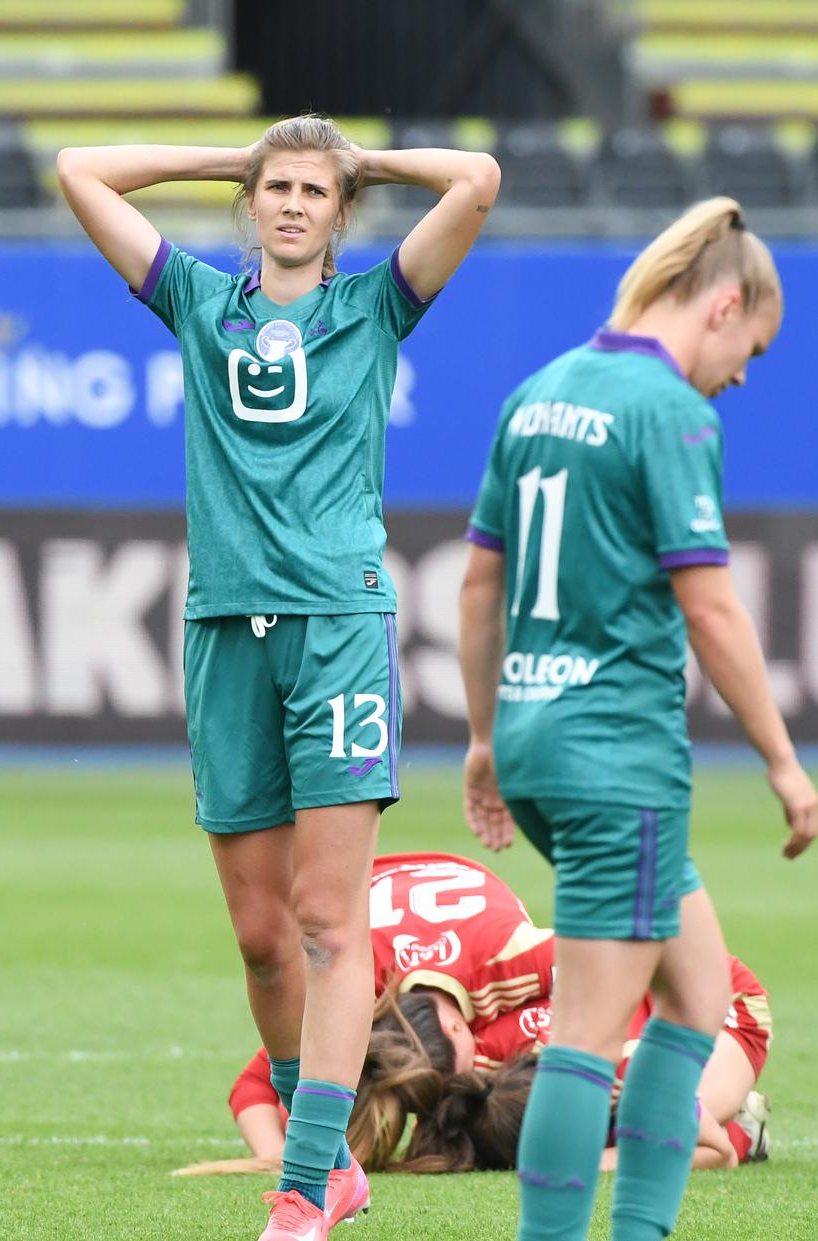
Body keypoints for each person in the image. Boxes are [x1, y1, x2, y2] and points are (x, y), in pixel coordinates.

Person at [57, 117, 500, 1241]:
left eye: (315, 190)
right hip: (224, 630)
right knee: (261, 934)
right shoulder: (201, 302)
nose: (296, 203)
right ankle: (334, 1141)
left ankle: (308, 1184)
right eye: (279, 189)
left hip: (339, 625)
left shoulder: (374, 308)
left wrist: (365, 159)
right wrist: (229, 157)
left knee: (324, 916)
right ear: (251, 207)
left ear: (339, 213)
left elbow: (479, 179)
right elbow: (79, 169)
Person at [458, 198, 818, 1241]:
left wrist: (484, 737)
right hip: (617, 753)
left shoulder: (541, 390)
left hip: (534, 735)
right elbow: (710, 605)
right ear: (724, 302)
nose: (744, 373)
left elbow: (479, 586)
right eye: (752, 346)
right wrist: (786, 762)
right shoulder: (669, 410)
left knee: (698, 994)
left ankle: (643, 1229)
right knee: (585, 1033)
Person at [169, 855, 771, 1177]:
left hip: (720, 999)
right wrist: (290, 1153)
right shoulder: (365, 988)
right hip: (397, 884)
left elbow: (704, 1140)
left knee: (646, 1119)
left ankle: (742, 1116)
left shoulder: (517, 964)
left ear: (461, 1028)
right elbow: (261, 1077)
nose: (463, 1079)